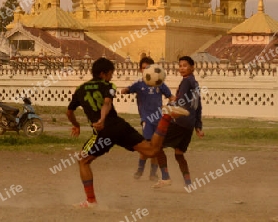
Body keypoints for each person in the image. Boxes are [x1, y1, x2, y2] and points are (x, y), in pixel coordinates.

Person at [66, 57, 189, 208]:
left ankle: (91, 201)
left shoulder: (80, 89)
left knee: (83, 161)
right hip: (119, 126)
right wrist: (104, 117)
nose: (112, 77)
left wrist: (76, 125)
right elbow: (107, 102)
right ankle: (166, 118)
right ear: (104, 73)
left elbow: (69, 112)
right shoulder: (108, 85)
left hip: (103, 133)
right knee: (152, 151)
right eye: (111, 73)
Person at [153, 55, 204, 189]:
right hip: (189, 125)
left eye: (185, 65)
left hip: (180, 122)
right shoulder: (196, 83)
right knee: (179, 154)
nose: (182, 68)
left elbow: (180, 101)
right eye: (180, 66)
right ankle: (188, 184)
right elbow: (198, 106)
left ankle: (165, 177)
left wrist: (170, 104)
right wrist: (198, 126)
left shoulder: (186, 82)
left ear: (192, 67)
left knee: (156, 146)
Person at [121, 56, 175, 182]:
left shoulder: (160, 83)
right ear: (141, 71)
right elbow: (128, 89)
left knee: (156, 148)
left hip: (159, 120)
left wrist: (175, 102)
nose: (146, 71)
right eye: (144, 68)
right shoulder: (139, 84)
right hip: (147, 120)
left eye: (148, 68)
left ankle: (152, 173)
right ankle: (140, 169)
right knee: (147, 145)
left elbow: (170, 96)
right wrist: (124, 90)